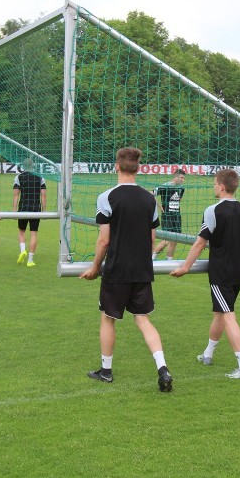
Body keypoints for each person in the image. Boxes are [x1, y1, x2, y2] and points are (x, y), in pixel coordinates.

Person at [80, 147, 173, 393]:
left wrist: (94, 268)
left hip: (117, 269)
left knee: (108, 318)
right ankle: (162, 368)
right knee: (143, 319)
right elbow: (152, 239)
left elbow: (104, 241)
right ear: (138, 168)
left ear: (117, 166)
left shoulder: (107, 197)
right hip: (142, 269)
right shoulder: (150, 199)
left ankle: (106, 371)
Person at [171, 169, 240, 379]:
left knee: (228, 315)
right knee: (220, 312)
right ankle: (207, 354)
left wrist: (185, 267)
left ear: (221, 186)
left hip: (220, 273)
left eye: (214, 183)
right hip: (238, 272)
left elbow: (200, 243)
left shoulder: (212, 210)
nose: (213, 187)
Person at [12, 158, 47, 267]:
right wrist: (44, 211)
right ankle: (30, 260)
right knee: (33, 233)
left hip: (23, 208)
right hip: (36, 209)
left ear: (23, 166)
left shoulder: (19, 177)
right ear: (33, 165)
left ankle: (23, 250)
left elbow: (16, 195)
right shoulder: (40, 177)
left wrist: (14, 210)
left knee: (21, 231)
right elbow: (43, 195)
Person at [152, 169, 187, 260]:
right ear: (175, 177)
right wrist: (159, 206)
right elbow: (151, 194)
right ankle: (152, 258)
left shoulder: (181, 188)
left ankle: (169, 260)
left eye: (184, 178)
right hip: (167, 216)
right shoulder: (165, 186)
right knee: (166, 239)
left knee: (175, 239)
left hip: (177, 216)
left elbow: (179, 199)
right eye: (181, 178)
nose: (183, 180)